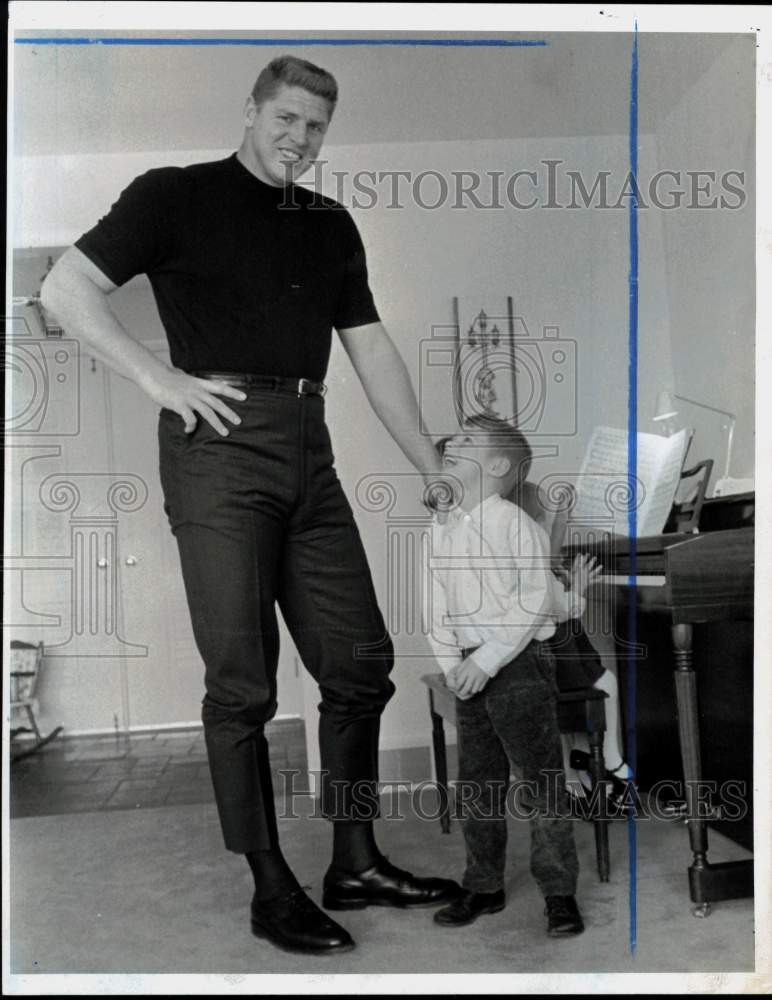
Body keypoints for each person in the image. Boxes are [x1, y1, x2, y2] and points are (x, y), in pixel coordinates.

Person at [40, 55, 460, 956]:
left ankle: (355, 859)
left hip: (309, 445)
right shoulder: (172, 196)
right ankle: (271, 885)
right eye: (287, 119)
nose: (299, 140)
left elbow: (373, 352)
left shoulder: (330, 225)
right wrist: (161, 380)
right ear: (251, 111)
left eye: (316, 128)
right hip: (217, 453)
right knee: (243, 683)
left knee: (359, 664)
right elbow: (63, 289)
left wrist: (430, 462)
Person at [424, 417, 600, 937]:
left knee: (541, 781)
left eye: (465, 443)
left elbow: (532, 602)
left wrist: (486, 660)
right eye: (451, 443)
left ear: (497, 467)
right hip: (469, 666)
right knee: (478, 783)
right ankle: (484, 885)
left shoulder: (513, 522)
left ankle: (559, 893)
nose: (451, 444)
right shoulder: (440, 527)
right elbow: (433, 603)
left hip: (517, 662)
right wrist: (452, 662)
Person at [517, 480, 633, 802]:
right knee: (598, 681)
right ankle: (601, 764)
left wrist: (561, 514)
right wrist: (576, 588)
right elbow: (553, 603)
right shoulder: (524, 557)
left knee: (599, 675)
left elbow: (549, 556)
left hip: (550, 639)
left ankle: (592, 767)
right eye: (540, 520)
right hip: (540, 651)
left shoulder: (526, 543)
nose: (544, 527)